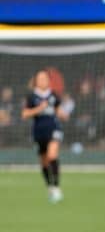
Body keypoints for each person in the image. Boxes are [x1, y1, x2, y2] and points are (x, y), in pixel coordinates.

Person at [21, 70, 69, 203]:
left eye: (45, 78)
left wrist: (63, 115)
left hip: (54, 129)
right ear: (36, 81)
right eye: (40, 78)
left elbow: (59, 111)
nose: (43, 80)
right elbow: (24, 114)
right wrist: (38, 109)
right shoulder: (31, 97)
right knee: (44, 161)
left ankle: (57, 187)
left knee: (52, 155)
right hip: (39, 132)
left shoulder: (53, 95)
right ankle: (50, 187)